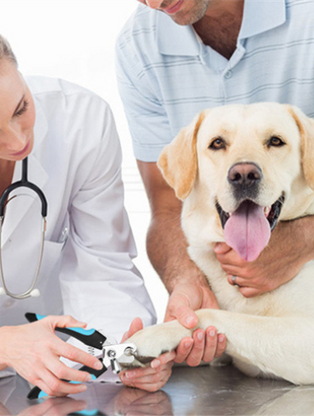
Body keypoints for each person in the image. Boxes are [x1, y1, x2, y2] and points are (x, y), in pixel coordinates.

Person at [0, 12, 175, 396]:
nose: (17, 142)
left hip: (63, 385)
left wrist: (123, 355)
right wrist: (4, 346)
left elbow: (104, 269)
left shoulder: (82, 122)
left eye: (20, 108)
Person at [116, 0, 314, 366]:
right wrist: (187, 285)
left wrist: (306, 237)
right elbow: (166, 205)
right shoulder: (138, 45)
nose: (155, 2)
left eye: (274, 141)